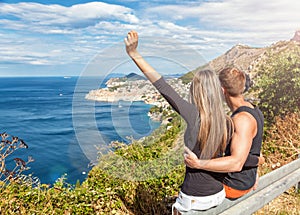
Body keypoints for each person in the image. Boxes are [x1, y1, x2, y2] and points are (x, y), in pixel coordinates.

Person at [124, 31, 260, 214]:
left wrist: (134, 54)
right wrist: (257, 161)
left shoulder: (193, 114)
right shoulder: (230, 122)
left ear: (197, 91)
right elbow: (238, 157)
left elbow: (162, 86)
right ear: (217, 91)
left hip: (194, 199)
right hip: (217, 194)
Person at [184, 67, 264, 199]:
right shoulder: (254, 110)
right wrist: (257, 164)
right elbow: (254, 148)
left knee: (199, 182)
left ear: (222, 91)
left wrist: (198, 163)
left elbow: (236, 163)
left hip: (233, 186)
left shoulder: (241, 120)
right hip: (246, 181)